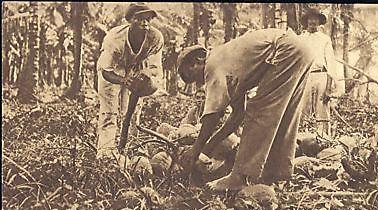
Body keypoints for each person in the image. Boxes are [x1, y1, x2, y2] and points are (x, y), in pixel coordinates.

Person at [177, 28, 314, 191]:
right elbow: (237, 116)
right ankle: (278, 173)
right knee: (285, 113)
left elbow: (212, 116)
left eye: (192, 74)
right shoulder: (230, 67)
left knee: (259, 110)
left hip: (284, 49)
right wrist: (207, 148)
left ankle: (241, 176)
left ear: (198, 60)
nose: (197, 82)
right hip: (300, 49)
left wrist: (195, 150)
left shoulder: (212, 64)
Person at [96, 3, 163, 164]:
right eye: (139, 19)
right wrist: (123, 80)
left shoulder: (155, 37)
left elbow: (155, 68)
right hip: (114, 70)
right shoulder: (114, 39)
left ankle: (132, 148)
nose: (144, 23)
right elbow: (106, 70)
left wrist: (146, 75)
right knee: (109, 111)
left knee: (133, 112)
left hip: (136, 67)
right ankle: (106, 152)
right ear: (129, 20)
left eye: (148, 19)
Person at [300, 8, 345, 138]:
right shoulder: (301, 38)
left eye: (315, 20)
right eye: (310, 20)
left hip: (322, 76)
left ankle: (324, 138)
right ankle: (303, 138)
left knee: (322, 108)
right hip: (306, 76)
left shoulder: (324, 39)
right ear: (307, 22)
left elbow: (330, 62)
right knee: (303, 108)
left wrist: (328, 88)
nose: (313, 23)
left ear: (319, 22)